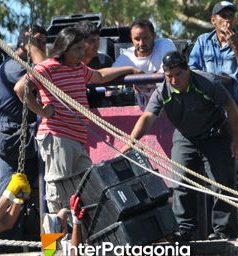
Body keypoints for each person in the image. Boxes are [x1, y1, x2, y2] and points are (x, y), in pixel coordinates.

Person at [14, 26, 142, 214]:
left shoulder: (78, 68)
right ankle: (52, 243)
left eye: (83, 48)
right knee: (57, 197)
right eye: (78, 49)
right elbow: (20, 88)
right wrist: (41, 111)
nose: (83, 53)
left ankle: (75, 241)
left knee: (86, 189)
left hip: (76, 139)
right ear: (64, 48)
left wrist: (129, 68)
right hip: (58, 137)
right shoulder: (48, 67)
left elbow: (99, 76)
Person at [121, 51, 238, 241]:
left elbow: (231, 107)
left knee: (221, 182)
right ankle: (184, 228)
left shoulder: (207, 83)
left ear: (187, 71)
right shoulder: (162, 91)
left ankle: (223, 229)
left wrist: (236, 140)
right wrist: (131, 141)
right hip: (186, 137)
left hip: (215, 135)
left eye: (178, 74)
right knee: (180, 180)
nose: (174, 80)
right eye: (169, 76)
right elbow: (147, 117)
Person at [189, 1, 238, 197]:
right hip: (214, 115)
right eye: (223, 16)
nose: (227, 20)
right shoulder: (203, 41)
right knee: (222, 166)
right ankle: (229, 219)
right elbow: (191, 71)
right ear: (213, 20)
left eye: (230, 15)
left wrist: (236, 47)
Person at [0, 24, 47, 233]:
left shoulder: (12, 65)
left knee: (12, 196)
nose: (41, 46)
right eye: (37, 41)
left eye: (43, 42)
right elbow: (48, 74)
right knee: (51, 189)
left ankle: (2, 240)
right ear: (25, 40)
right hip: (13, 136)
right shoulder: (17, 66)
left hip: (9, 136)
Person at [112, 20, 177, 110]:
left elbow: (170, 71)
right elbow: (110, 77)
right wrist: (130, 69)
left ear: (154, 36)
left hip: (170, 106)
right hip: (140, 111)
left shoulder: (165, 45)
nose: (141, 43)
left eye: (145, 38)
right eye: (137, 39)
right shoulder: (126, 57)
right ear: (131, 39)